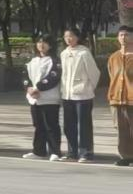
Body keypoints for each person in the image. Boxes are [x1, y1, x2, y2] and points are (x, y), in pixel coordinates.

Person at [59, 28, 102, 163]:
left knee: (83, 126)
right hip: (67, 95)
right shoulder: (64, 53)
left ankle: (86, 153)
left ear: (77, 37)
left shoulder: (84, 52)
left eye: (71, 36)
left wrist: (88, 88)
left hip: (83, 96)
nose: (69, 39)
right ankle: (72, 152)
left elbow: (94, 73)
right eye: (66, 36)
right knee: (69, 125)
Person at [23, 34, 63, 162]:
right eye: (39, 42)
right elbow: (25, 76)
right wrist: (29, 88)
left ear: (50, 45)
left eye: (44, 42)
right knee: (38, 125)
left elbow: (53, 77)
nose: (41, 45)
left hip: (49, 98)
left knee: (51, 125)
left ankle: (55, 151)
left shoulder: (54, 60)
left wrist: (38, 88)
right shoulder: (33, 60)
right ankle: (39, 151)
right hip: (34, 99)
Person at [108, 25, 132, 167]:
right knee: (121, 130)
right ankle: (126, 156)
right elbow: (112, 76)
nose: (124, 38)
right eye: (121, 35)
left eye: (127, 35)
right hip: (117, 98)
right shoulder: (113, 57)